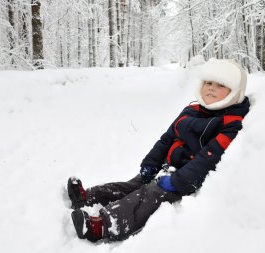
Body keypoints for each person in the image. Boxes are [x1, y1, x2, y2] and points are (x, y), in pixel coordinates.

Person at [67, 58, 250, 242]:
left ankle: (102, 226)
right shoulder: (191, 109)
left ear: (234, 93)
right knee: (134, 184)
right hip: (167, 168)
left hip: (186, 179)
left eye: (220, 85)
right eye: (208, 83)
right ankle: (89, 196)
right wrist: (151, 163)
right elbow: (167, 138)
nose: (211, 88)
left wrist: (178, 181)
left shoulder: (230, 122)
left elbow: (209, 157)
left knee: (149, 195)